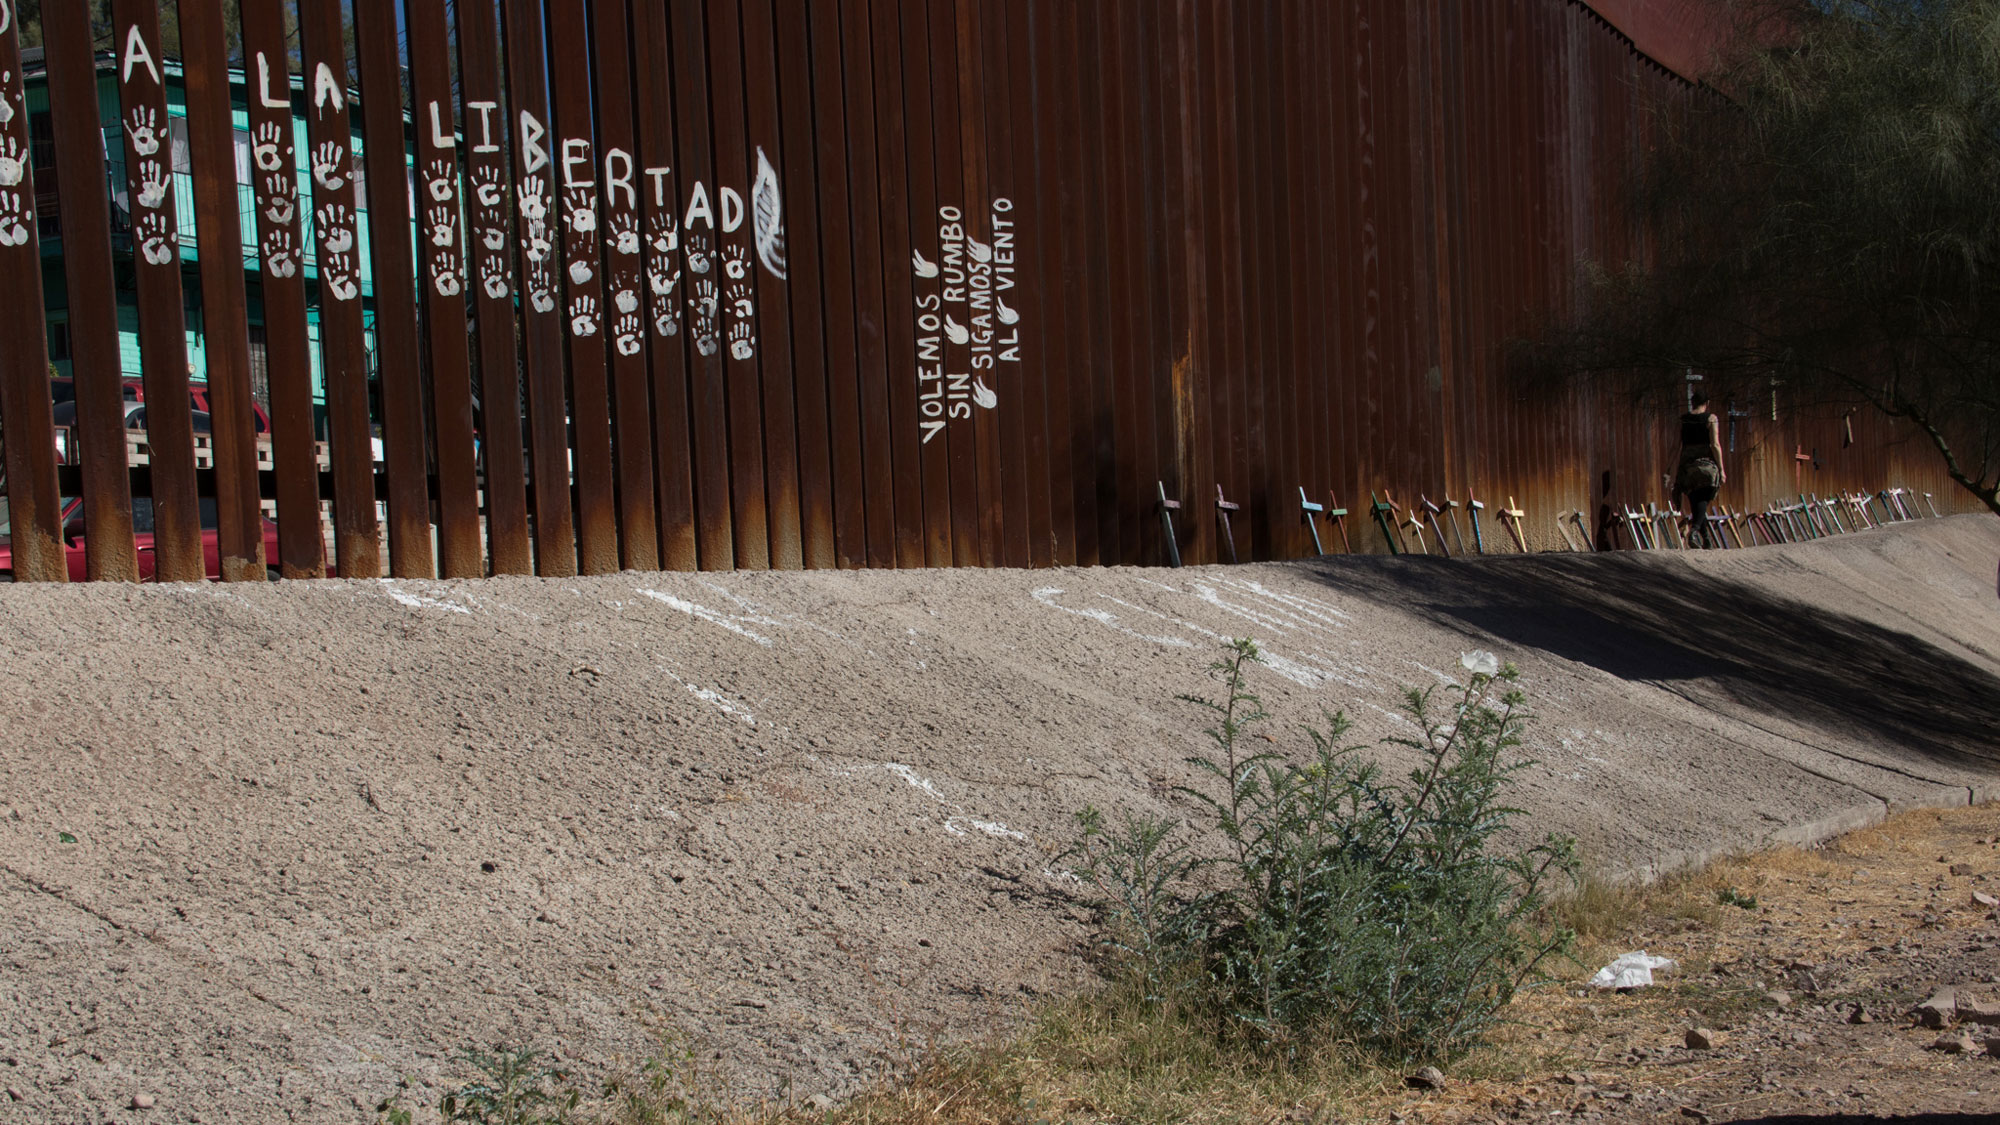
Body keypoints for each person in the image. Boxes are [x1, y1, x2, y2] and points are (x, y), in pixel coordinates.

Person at [1676, 391, 1726, 548]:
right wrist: (1722, 469)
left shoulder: (1683, 420)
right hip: (1706, 465)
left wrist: (1670, 470)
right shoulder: (1711, 419)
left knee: (1695, 500)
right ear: (1707, 402)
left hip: (1687, 465)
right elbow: (1715, 445)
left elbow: (1675, 446)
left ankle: (1706, 539)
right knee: (1703, 498)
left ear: (1693, 402)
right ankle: (1695, 530)